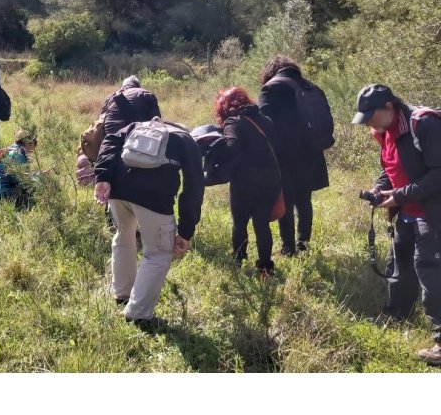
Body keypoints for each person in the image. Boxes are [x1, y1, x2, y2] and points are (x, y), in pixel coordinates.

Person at [352, 83, 441, 366]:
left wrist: (398, 196)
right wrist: (380, 190)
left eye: (370, 115)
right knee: (399, 264)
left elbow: (438, 175)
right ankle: (398, 315)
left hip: (433, 213)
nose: (368, 122)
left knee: (431, 272)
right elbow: (389, 168)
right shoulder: (386, 131)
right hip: (407, 212)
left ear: (389, 107)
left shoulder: (423, 124)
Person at [93, 119, 204, 329]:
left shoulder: (136, 126)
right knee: (158, 253)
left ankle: (122, 294)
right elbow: (194, 189)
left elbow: (110, 140)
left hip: (117, 192)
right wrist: (186, 231)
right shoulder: (186, 141)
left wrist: (103, 176)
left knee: (123, 238)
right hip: (153, 199)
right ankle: (138, 315)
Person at [258, 56, 331, 255]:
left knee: (286, 202)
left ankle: (289, 248)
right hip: (311, 154)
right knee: (304, 200)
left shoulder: (271, 89)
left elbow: (264, 125)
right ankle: (304, 244)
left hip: (285, 156)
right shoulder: (311, 87)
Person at [214, 87, 282, 278]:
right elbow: (278, 148)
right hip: (270, 180)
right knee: (262, 225)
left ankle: (238, 261)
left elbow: (231, 146)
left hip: (244, 182)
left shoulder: (233, 122)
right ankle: (266, 269)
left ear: (224, 108)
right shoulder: (266, 120)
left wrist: (214, 148)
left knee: (240, 224)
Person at [0, 130, 38, 210]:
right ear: (28, 142)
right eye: (34, 143)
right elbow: (21, 179)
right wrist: (38, 176)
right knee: (34, 186)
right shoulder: (18, 154)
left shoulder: (12, 149)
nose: (33, 149)